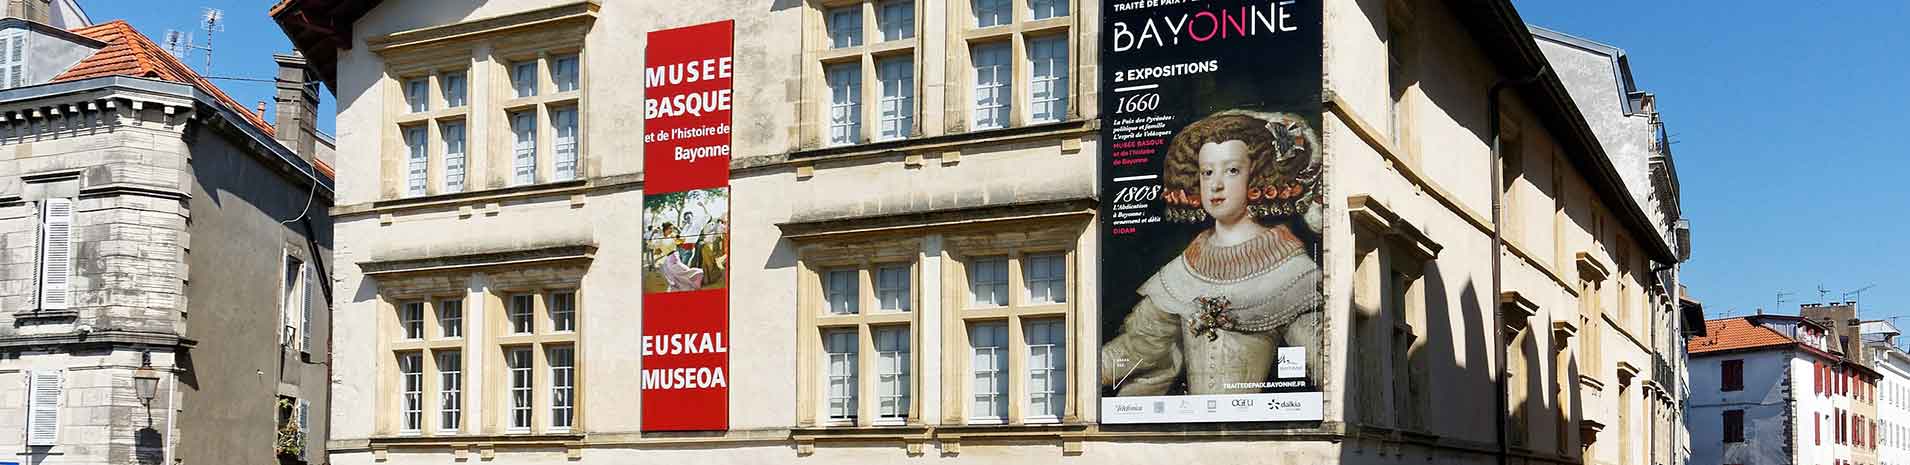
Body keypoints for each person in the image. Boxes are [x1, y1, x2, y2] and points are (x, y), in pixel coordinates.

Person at [1099, 111, 1324, 396]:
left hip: (1258, 432)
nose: (1216, 185)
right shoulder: (1183, 269)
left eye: (1231, 170)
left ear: (1255, 177)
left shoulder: (1294, 275)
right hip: (1189, 430)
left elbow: (1323, 365)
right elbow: (1141, 347)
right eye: (1207, 172)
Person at [654, 220, 706, 292]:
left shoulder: (673, 235)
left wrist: (677, 232)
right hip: (671, 260)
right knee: (683, 273)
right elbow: (656, 251)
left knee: (684, 273)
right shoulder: (660, 239)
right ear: (666, 229)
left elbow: (682, 241)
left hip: (675, 257)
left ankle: (690, 287)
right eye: (670, 228)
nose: (672, 230)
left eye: (672, 228)